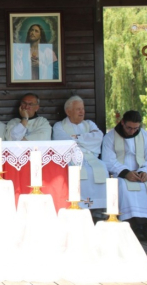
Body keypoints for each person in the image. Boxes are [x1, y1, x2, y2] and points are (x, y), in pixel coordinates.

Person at [52, 96, 108, 211]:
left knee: (103, 167)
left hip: (91, 158)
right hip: (71, 159)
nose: (82, 111)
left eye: (82, 108)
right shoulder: (59, 126)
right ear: (68, 111)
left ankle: (99, 209)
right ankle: (77, 206)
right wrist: (86, 140)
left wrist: (76, 138)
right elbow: (64, 142)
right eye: (78, 109)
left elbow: (98, 137)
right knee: (77, 172)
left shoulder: (89, 124)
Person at [102, 110, 147, 239]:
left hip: (141, 173)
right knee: (122, 187)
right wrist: (126, 173)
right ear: (122, 122)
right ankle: (133, 226)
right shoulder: (110, 137)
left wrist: (144, 171)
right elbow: (108, 160)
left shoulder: (144, 135)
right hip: (121, 174)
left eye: (136, 128)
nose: (132, 131)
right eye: (129, 128)